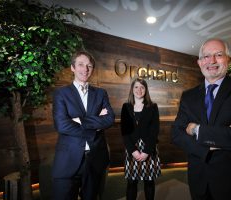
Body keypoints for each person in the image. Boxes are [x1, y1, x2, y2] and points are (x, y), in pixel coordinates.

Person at [171, 38, 231, 200]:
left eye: (218, 54)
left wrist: (196, 130)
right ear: (199, 63)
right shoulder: (188, 96)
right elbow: (177, 134)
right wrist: (209, 146)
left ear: (228, 59)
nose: (211, 61)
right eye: (206, 56)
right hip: (199, 178)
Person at [52, 50, 115, 200]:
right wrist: (95, 125)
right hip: (68, 160)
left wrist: (79, 121)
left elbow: (110, 119)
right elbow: (61, 125)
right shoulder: (61, 93)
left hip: (95, 159)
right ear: (73, 67)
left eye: (89, 66)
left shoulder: (101, 93)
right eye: (81, 64)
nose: (85, 69)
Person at [121, 78, 161, 200]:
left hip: (148, 148)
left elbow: (154, 131)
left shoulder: (153, 107)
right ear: (132, 90)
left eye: (142, 87)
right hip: (131, 148)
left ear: (146, 90)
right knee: (131, 183)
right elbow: (125, 132)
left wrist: (147, 151)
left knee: (149, 182)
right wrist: (133, 150)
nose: (139, 90)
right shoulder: (126, 107)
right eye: (136, 87)